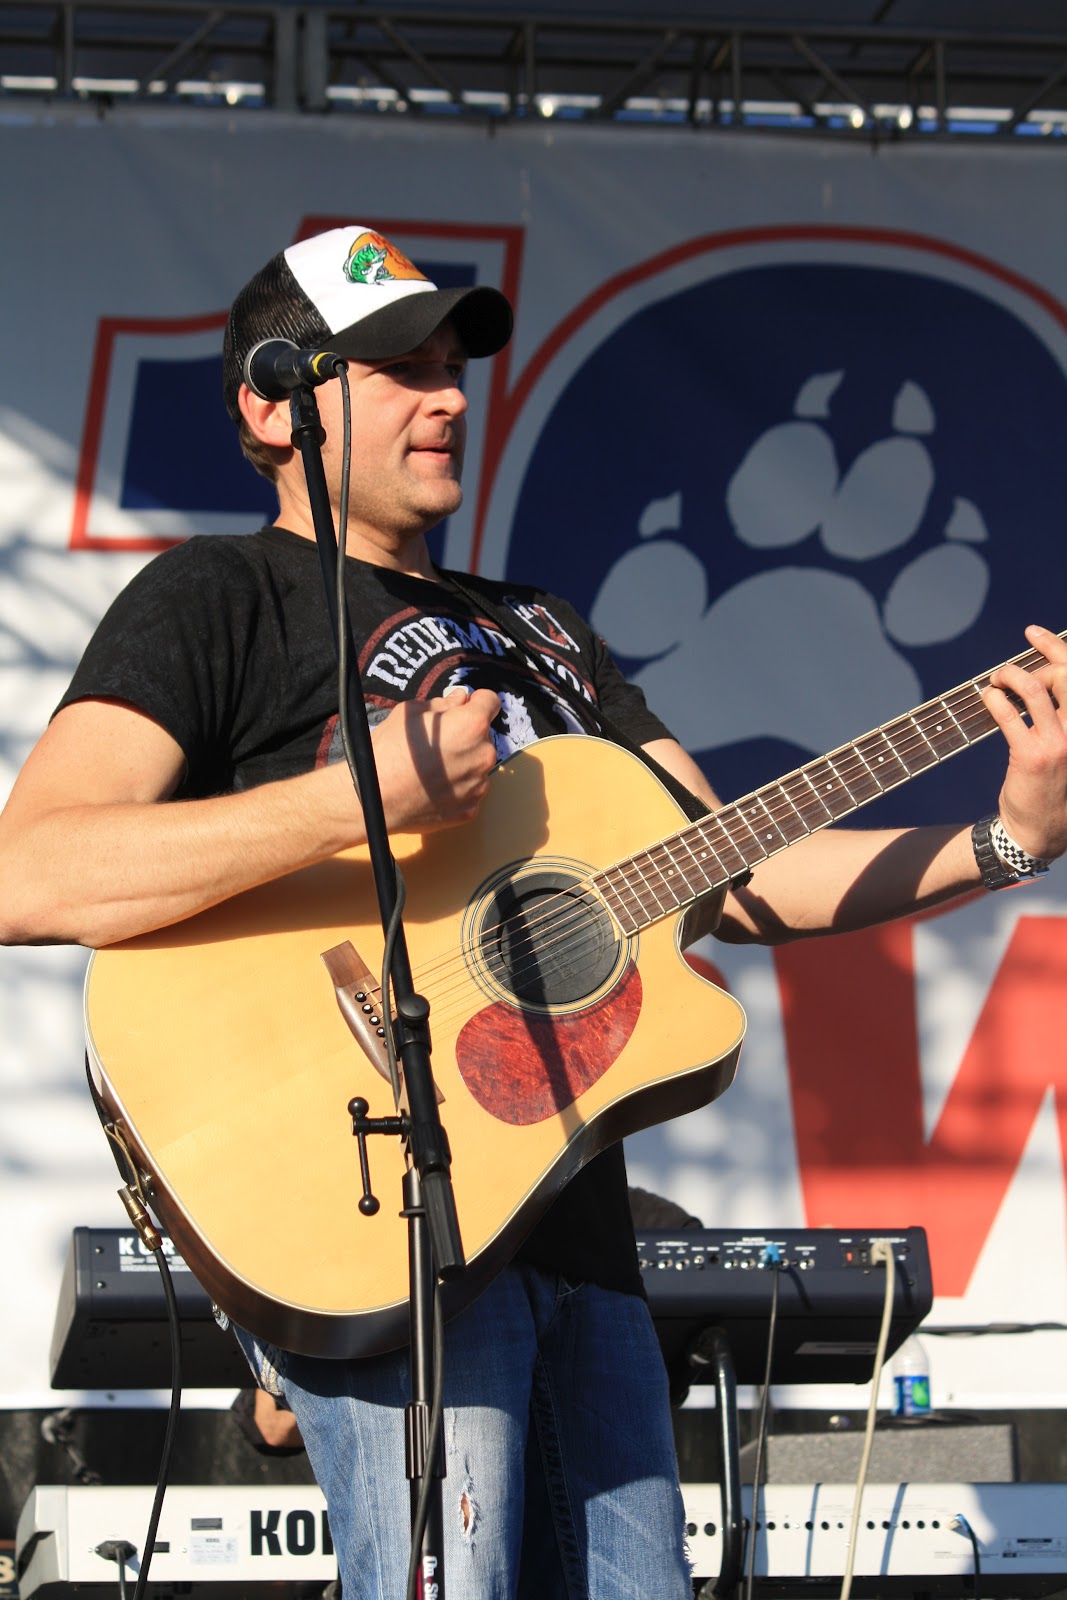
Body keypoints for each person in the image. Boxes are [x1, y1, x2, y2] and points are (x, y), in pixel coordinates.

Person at [2, 223, 1066, 1600]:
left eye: (452, 365)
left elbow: (727, 874)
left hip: (576, 1232)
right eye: (395, 368)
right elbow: (33, 876)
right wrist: (358, 801)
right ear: (272, 406)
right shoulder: (218, 598)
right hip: (378, 1214)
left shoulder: (541, 630)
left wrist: (1006, 836)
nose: (446, 395)